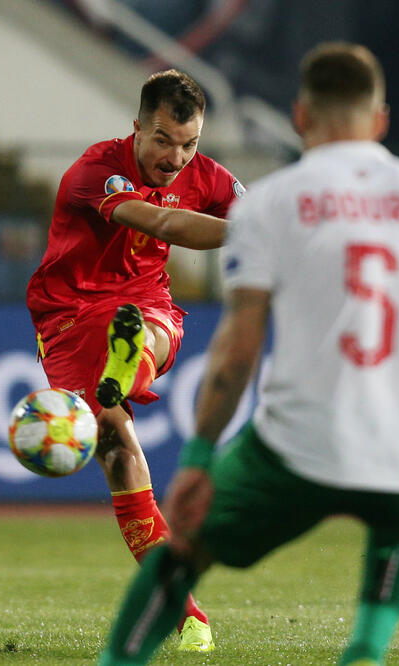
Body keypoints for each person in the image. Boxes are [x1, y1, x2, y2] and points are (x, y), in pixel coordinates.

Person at [98, 42, 399, 666]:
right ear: (380, 122)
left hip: (299, 448)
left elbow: (238, 351)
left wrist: (199, 458)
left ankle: (118, 661)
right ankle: (367, 648)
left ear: (300, 117)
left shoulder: (273, 204)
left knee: (183, 549)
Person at [26, 69, 244, 653]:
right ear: (137, 128)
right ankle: (188, 612)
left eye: (190, 143)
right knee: (118, 449)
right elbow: (163, 221)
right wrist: (259, 231)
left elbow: (254, 205)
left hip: (143, 304)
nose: (176, 158)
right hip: (70, 316)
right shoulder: (94, 173)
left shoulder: (206, 175)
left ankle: (126, 368)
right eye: (164, 140)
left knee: (152, 330)